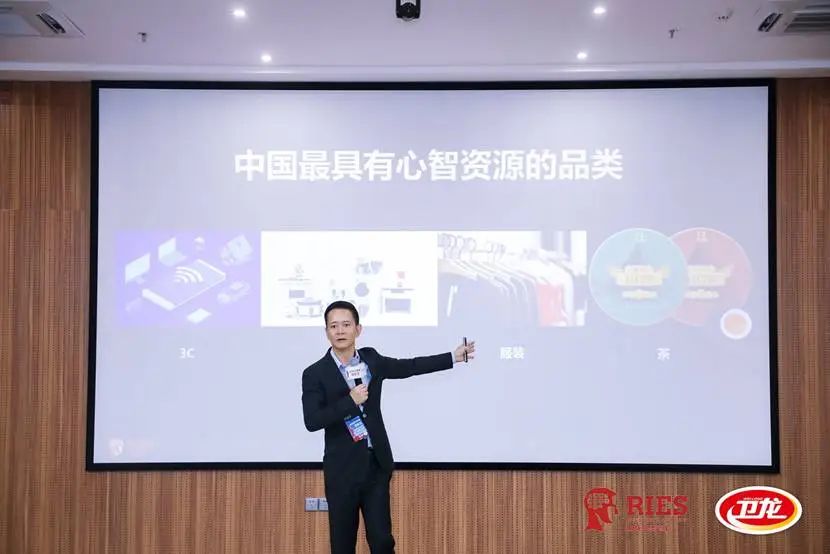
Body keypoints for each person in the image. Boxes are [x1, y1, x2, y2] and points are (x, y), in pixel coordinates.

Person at [302, 300, 475, 554]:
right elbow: (312, 420)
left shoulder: (371, 359)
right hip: (342, 471)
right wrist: (350, 401)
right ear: (326, 331)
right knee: (342, 545)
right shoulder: (315, 373)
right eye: (333, 326)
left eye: (346, 325)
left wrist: (453, 357)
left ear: (358, 329)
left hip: (376, 465)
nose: (340, 331)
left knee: (382, 541)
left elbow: (409, 366)